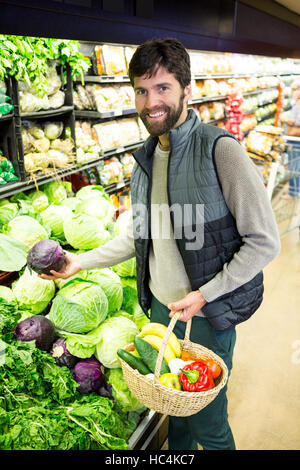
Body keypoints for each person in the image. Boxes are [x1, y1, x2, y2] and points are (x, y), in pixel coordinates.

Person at [41, 38, 281, 450]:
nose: (151, 101)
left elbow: (265, 243)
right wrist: (80, 263)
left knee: (209, 426)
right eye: (141, 90)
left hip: (205, 319)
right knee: (176, 420)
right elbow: (138, 238)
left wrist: (204, 295)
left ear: (186, 89)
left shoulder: (220, 150)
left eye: (163, 88)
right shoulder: (145, 160)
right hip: (160, 315)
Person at [280, 78, 300, 197]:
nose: (293, 93)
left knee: (294, 166)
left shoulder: (298, 104)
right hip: (295, 140)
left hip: (295, 141)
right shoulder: (296, 103)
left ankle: (293, 192)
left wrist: (285, 119)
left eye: (295, 90)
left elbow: (297, 121)